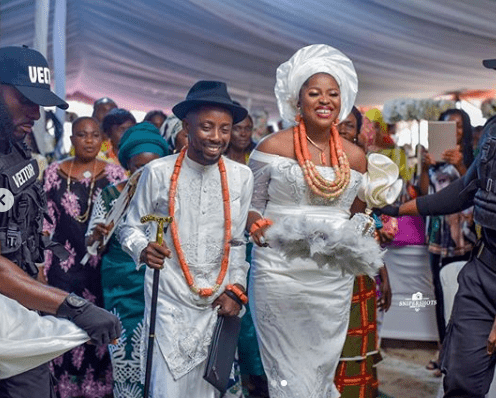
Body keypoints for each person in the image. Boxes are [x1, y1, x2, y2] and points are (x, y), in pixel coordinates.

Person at [245, 44, 401, 398]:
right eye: (314, 92)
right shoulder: (270, 147)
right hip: (279, 269)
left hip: (332, 277)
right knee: (285, 367)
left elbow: (360, 214)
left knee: (320, 367)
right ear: (297, 99)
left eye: (332, 93)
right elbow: (250, 206)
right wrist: (257, 225)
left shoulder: (358, 157)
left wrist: (362, 238)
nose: (324, 100)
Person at [0, 45, 121, 398]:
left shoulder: (16, 147)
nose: (36, 113)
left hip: (17, 315)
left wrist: (41, 296)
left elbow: (25, 234)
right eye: (25, 99)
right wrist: (71, 305)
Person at [120, 80, 254, 397]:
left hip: (218, 305)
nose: (217, 138)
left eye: (225, 129)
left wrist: (236, 291)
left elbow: (237, 243)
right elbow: (129, 228)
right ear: (186, 127)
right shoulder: (157, 173)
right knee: (168, 389)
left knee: (210, 389)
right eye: (207, 127)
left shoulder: (241, 176)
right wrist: (142, 249)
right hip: (169, 304)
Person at [376, 58, 496, 397]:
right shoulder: (492, 130)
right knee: (460, 378)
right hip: (484, 268)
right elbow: (463, 191)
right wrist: (398, 209)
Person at [42, 116, 126, 397]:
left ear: (102, 140)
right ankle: (64, 388)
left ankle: (98, 388)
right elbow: (45, 223)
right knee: (64, 324)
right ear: (71, 140)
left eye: (93, 136)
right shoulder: (54, 173)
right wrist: (45, 262)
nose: (88, 141)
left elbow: (125, 219)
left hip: (101, 267)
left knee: (99, 325)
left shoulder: (116, 175)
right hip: (62, 268)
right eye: (81, 135)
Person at [85, 122, 169, 396]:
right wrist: (98, 235)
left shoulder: (171, 195)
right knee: (126, 348)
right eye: (138, 167)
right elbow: (91, 246)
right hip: (121, 285)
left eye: (152, 167)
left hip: (162, 282)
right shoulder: (110, 195)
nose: (145, 174)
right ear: (128, 165)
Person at [335, 107, 392, 398]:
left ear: (358, 131)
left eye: (350, 125)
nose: (344, 130)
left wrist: (383, 272)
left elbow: (371, 223)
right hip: (328, 267)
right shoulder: (317, 163)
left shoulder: (369, 168)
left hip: (360, 271)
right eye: (339, 124)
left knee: (358, 341)